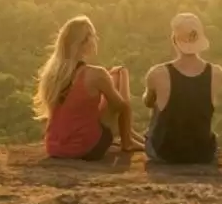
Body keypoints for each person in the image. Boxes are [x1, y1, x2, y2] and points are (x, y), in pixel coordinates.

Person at [33, 15, 145, 160]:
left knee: (112, 77)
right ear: (85, 42)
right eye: (94, 36)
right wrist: (120, 77)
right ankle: (127, 140)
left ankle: (130, 134)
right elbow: (120, 106)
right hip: (86, 148)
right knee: (120, 73)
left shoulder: (52, 74)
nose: (96, 40)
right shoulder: (96, 74)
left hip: (54, 147)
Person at [142, 12, 222, 164]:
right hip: (203, 153)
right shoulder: (218, 73)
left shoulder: (157, 73)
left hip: (165, 154)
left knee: (157, 106)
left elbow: (148, 102)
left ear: (174, 40)